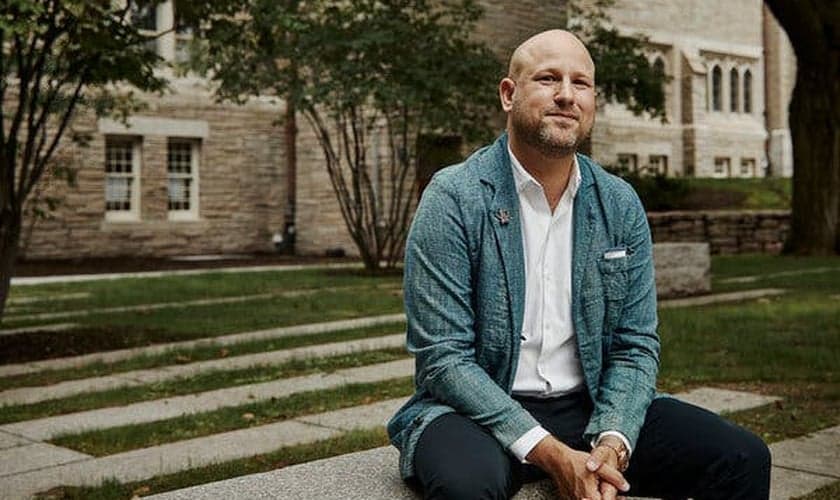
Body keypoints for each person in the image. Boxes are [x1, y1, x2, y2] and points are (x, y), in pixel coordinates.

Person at [387, 29, 771, 500]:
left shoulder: (618, 202)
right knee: (465, 487)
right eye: (548, 79)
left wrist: (612, 442)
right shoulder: (454, 197)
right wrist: (551, 453)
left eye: (581, 83)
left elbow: (634, 345)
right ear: (508, 94)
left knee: (743, 457)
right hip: (473, 411)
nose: (567, 95)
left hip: (589, 405)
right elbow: (444, 358)